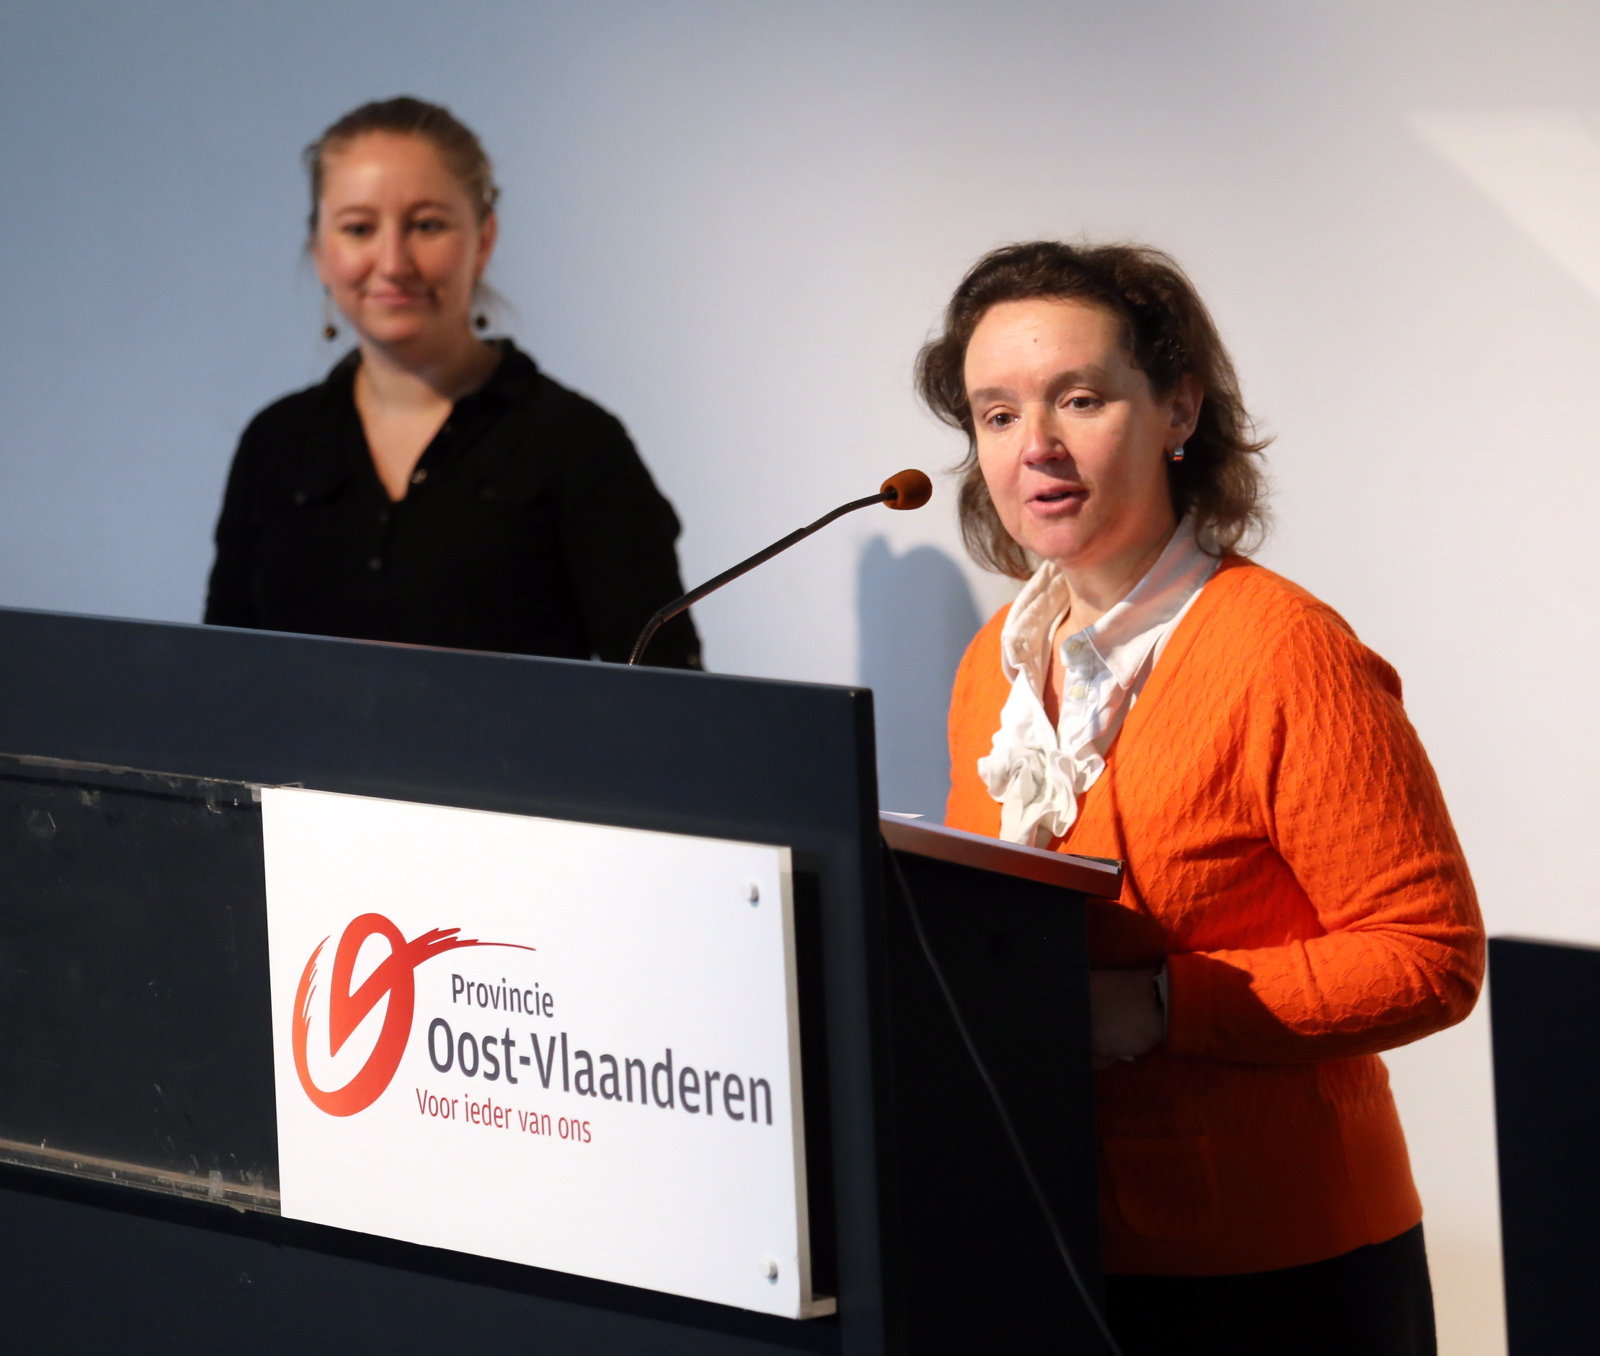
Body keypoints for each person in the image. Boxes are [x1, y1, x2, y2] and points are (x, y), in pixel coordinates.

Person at [918, 241, 1483, 1355]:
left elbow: (1431, 957)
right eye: (996, 414)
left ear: (1178, 408)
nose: (1035, 447)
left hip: (1277, 1275)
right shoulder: (995, 661)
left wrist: (1157, 1007)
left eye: (1080, 400)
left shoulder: (1284, 651)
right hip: (1048, 1237)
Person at [205, 97, 700, 667]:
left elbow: (665, 698)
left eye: (426, 226)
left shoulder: (578, 445)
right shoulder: (275, 443)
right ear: (320, 250)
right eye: (359, 228)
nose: (393, 262)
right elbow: (217, 678)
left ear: (484, 240)